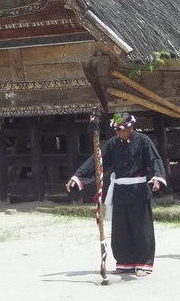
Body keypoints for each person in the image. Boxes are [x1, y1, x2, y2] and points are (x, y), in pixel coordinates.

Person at [66, 112, 166, 277]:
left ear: (130, 126)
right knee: (121, 229)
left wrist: (157, 178)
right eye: (116, 129)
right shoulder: (112, 144)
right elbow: (96, 161)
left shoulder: (143, 141)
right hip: (120, 191)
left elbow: (155, 160)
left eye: (122, 129)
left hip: (138, 190)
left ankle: (143, 263)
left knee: (141, 228)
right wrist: (77, 177)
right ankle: (124, 261)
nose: (119, 132)